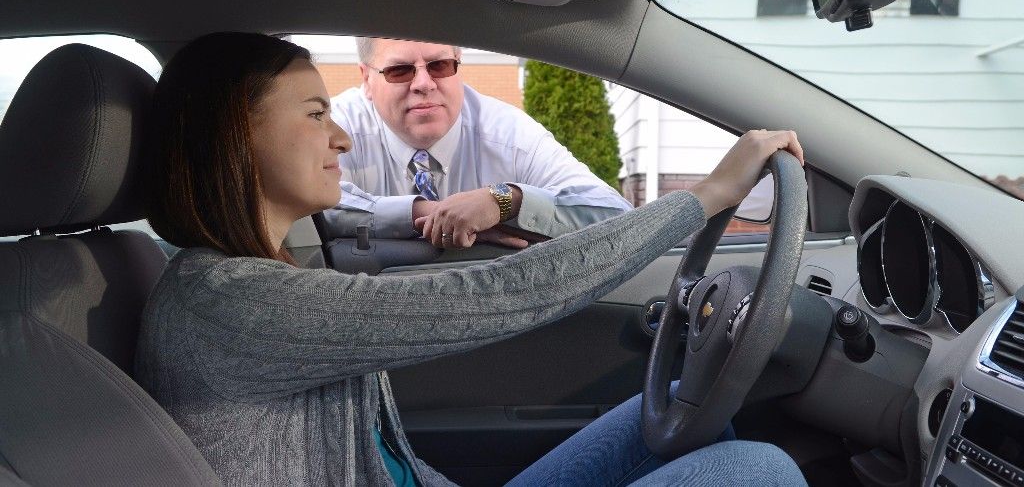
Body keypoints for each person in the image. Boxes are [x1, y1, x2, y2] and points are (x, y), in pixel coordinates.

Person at [138, 32, 808, 487]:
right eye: (316, 114)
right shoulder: (233, 301)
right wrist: (707, 196)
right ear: (235, 136)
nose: (340, 135)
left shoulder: (267, 271)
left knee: (680, 406)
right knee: (758, 471)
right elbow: (501, 293)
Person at [326, 37, 633, 249]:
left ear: (458, 64)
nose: (423, 84)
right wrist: (431, 213)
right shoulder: (338, 125)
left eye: (439, 65)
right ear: (366, 79)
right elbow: (302, 207)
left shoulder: (508, 132)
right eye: (399, 71)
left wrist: (504, 201)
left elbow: (613, 213)